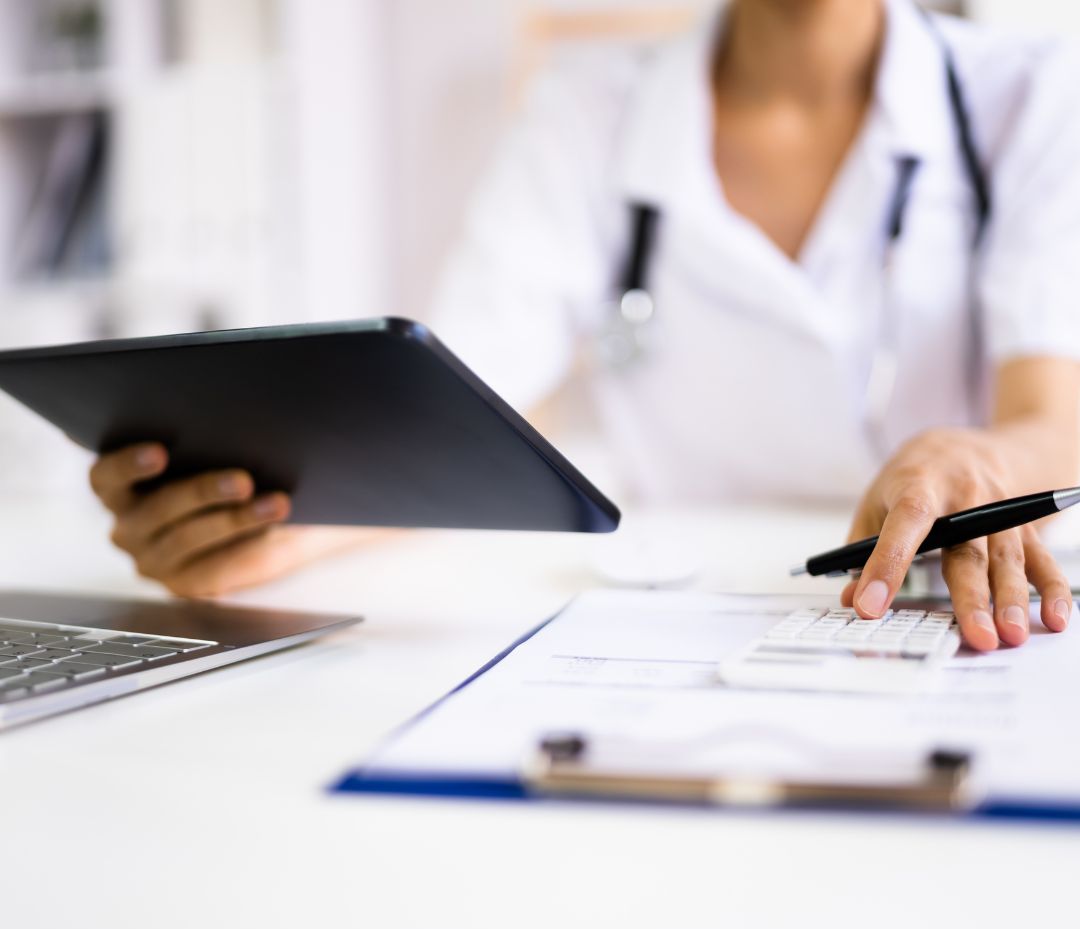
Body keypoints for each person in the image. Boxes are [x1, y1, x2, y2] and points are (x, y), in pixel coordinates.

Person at [89, 0, 1080, 652]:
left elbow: (1057, 415)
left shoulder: (1030, 91)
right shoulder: (588, 107)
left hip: (951, 621)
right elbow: (454, 404)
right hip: (683, 622)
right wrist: (268, 525)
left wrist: (972, 460)